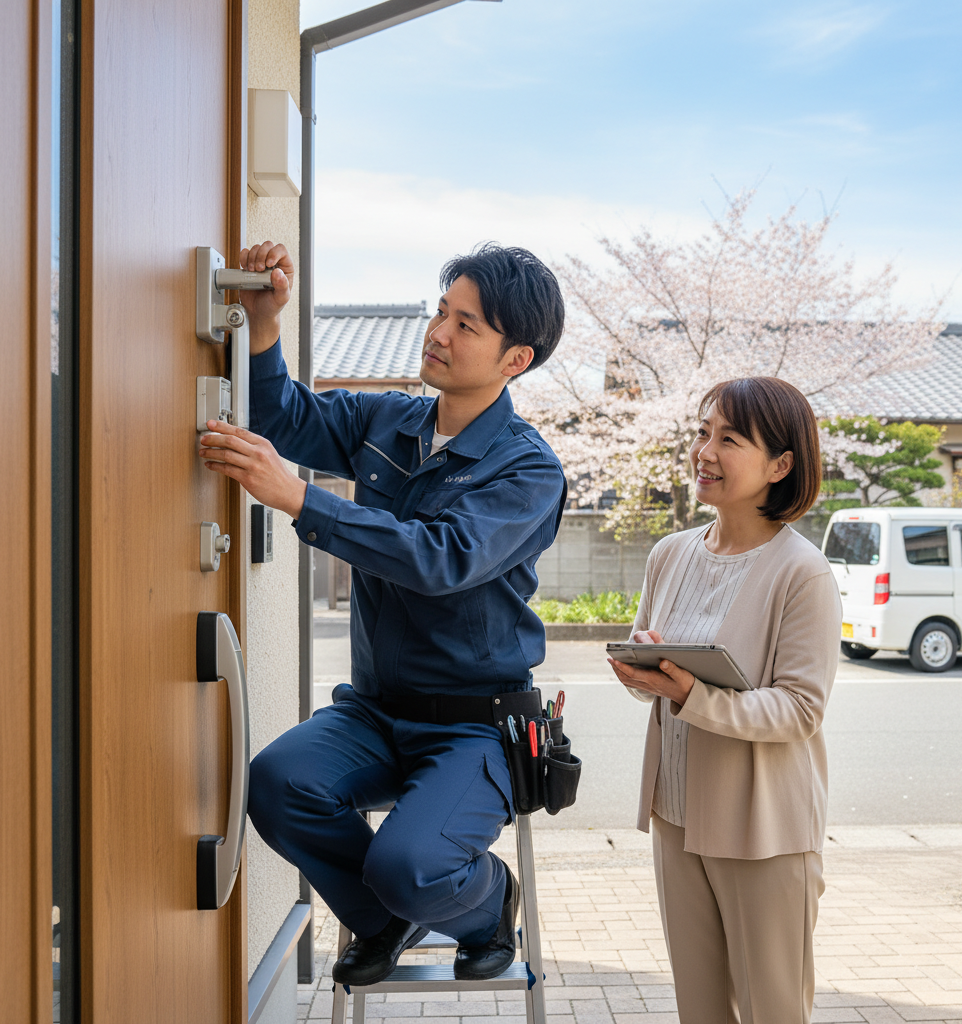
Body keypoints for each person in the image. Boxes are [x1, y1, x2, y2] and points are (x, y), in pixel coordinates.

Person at [198, 240, 567, 984]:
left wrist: (302, 498)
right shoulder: (387, 422)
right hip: (375, 711)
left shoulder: (529, 469)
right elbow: (286, 418)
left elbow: (442, 558)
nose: (438, 332)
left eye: (467, 325)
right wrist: (264, 327)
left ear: (514, 359)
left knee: (408, 864)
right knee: (273, 785)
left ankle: (489, 901)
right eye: (442, 312)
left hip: (476, 723)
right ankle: (382, 917)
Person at [608, 376, 842, 1024]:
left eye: (729, 439)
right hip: (677, 819)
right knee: (700, 1009)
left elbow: (800, 709)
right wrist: (643, 674)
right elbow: (657, 672)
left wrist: (692, 695)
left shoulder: (803, 573)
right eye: (702, 433)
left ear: (780, 465)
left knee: (773, 1010)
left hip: (765, 832)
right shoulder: (671, 554)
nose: (705, 452)